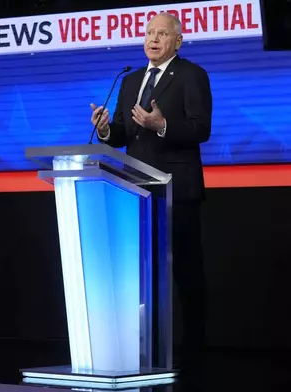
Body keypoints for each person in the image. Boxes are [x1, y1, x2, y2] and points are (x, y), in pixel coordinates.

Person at [90, 12, 211, 370]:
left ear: (177, 41)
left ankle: (194, 351)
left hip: (178, 190)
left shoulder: (191, 75)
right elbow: (124, 133)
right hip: (137, 191)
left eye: (162, 33)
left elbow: (201, 129)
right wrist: (106, 129)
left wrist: (163, 125)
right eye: (149, 32)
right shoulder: (130, 81)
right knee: (143, 274)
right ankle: (147, 349)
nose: (153, 39)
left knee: (186, 272)